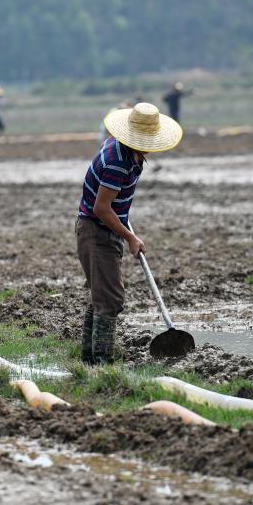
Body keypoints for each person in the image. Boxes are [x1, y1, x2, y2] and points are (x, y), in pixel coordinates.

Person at [76, 102, 182, 365]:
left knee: (101, 296)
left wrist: (122, 219)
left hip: (102, 227)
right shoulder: (118, 162)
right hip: (96, 230)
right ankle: (101, 364)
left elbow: (111, 201)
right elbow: (102, 208)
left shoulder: (125, 151)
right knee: (110, 300)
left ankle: (89, 361)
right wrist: (130, 237)